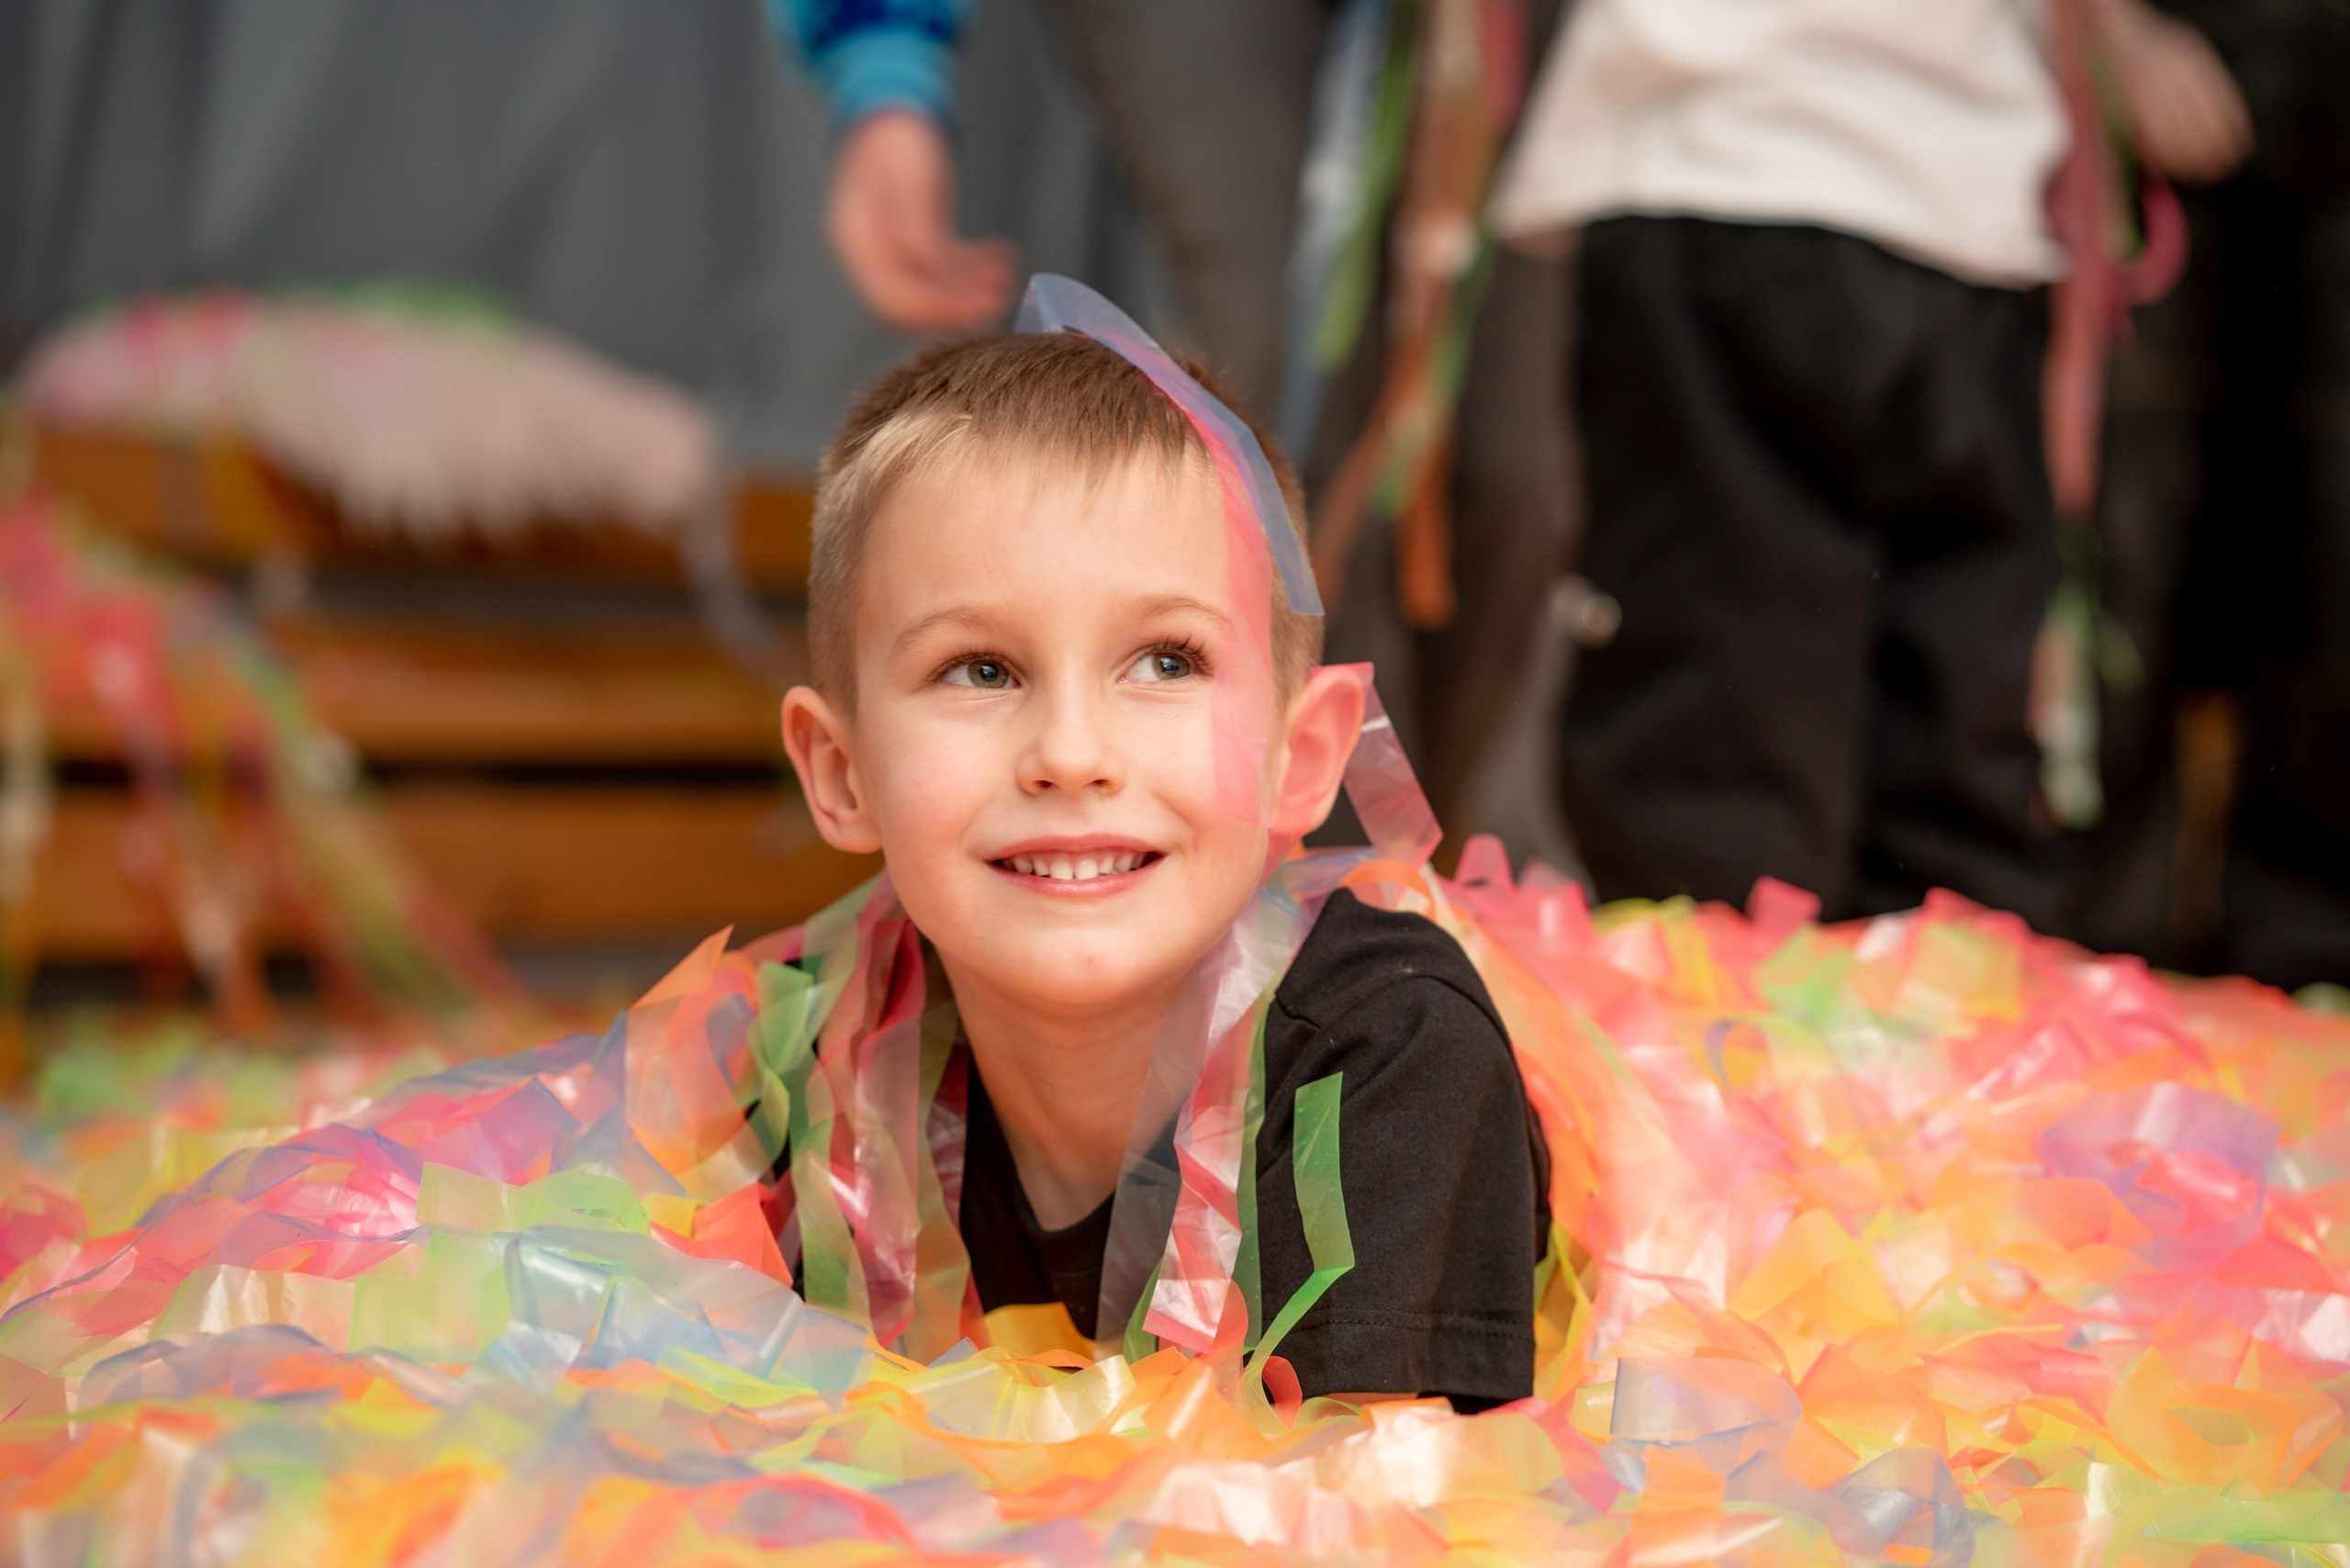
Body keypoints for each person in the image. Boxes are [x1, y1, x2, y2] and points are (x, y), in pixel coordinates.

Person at [771, 277, 1549, 1407]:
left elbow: (1370, 1494)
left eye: (1166, 661)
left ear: (1302, 755)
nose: (1071, 753)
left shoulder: (1394, 1055)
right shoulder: (806, 1053)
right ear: (842, 774)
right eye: (980, 669)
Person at [1488, 0, 2248, 926]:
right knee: (1850, 785)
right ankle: (1808, 999)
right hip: (1809, 156)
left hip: (1895, 181)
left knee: (1840, 781)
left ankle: (1845, 1002)